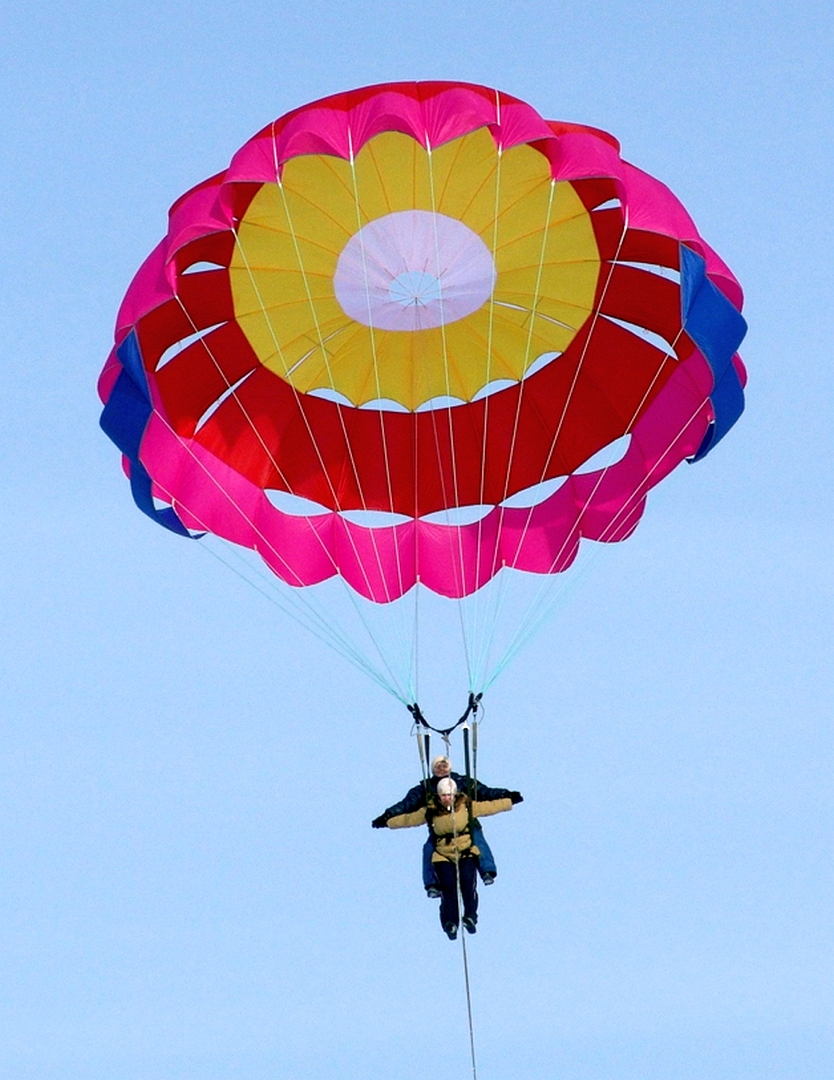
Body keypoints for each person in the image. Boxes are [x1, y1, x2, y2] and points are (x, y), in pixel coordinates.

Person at [384, 777, 520, 938]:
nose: (446, 798)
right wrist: (388, 822)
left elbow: (489, 807)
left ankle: (470, 916)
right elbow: (410, 819)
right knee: (448, 888)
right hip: (443, 854)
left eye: (449, 795)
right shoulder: (431, 810)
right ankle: (450, 922)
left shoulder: (466, 806)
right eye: (443, 795)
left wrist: (509, 801)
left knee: (467, 883)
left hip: (465, 850)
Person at [371, 755, 521, 894]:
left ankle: (487, 870)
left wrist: (506, 795)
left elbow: (486, 793)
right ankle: (432, 883)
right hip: (440, 832)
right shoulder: (425, 788)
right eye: (438, 767)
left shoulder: (463, 781)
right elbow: (407, 805)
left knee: (477, 840)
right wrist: (387, 817)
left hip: (465, 827)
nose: (441, 769)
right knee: (429, 848)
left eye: (444, 766)